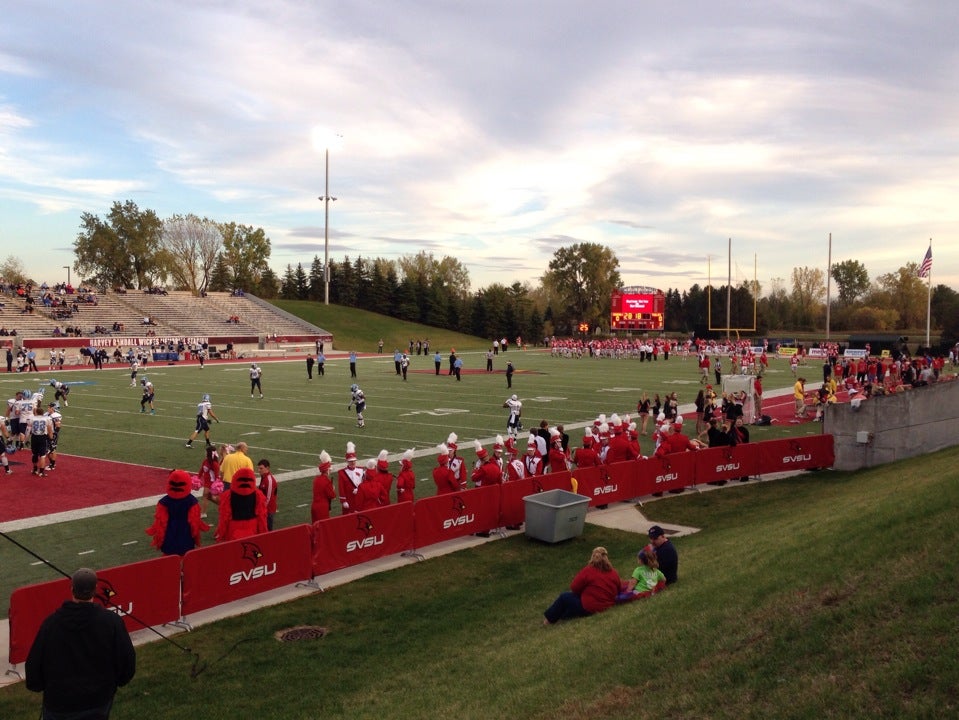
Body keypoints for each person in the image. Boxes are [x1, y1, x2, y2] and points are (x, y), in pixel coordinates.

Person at [26, 567, 137, 720]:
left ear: (72, 589)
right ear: (95, 590)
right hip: (98, 700)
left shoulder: (51, 624)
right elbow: (127, 662)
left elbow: (34, 667)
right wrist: (112, 685)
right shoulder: (111, 622)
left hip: (60, 703)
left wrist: (39, 686)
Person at [543, 546, 621, 625]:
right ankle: (564, 616)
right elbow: (619, 588)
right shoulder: (613, 573)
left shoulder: (589, 570)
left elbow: (574, 587)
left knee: (564, 597)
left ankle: (548, 620)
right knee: (572, 602)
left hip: (590, 608)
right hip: (607, 605)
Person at [145, 469, 209, 555]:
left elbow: (160, 523)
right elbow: (195, 523)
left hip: (169, 534)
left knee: (169, 561)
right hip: (186, 535)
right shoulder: (192, 501)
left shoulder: (163, 502)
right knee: (186, 559)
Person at [214, 467, 268, 542]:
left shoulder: (228, 495)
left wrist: (221, 533)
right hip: (252, 527)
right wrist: (263, 534)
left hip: (233, 528)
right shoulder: (258, 495)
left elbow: (224, 517)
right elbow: (261, 517)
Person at [337, 442, 365, 513]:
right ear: (347, 461)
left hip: (360, 497)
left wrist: (359, 489)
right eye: (350, 461)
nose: (352, 463)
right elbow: (341, 488)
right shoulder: (342, 473)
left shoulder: (361, 470)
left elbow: (364, 483)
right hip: (349, 499)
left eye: (354, 461)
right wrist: (343, 501)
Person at [311, 450, 336, 522]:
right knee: (323, 527)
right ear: (327, 470)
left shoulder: (316, 479)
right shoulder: (326, 481)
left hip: (314, 506)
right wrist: (333, 488)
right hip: (322, 507)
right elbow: (332, 496)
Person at [257, 458, 278, 530]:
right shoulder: (264, 477)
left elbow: (268, 497)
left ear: (267, 468)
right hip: (264, 508)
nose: (259, 470)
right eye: (258, 468)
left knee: (268, 530)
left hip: (268, 510)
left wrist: (261, 508)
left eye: (261, 468)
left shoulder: (269, 480)